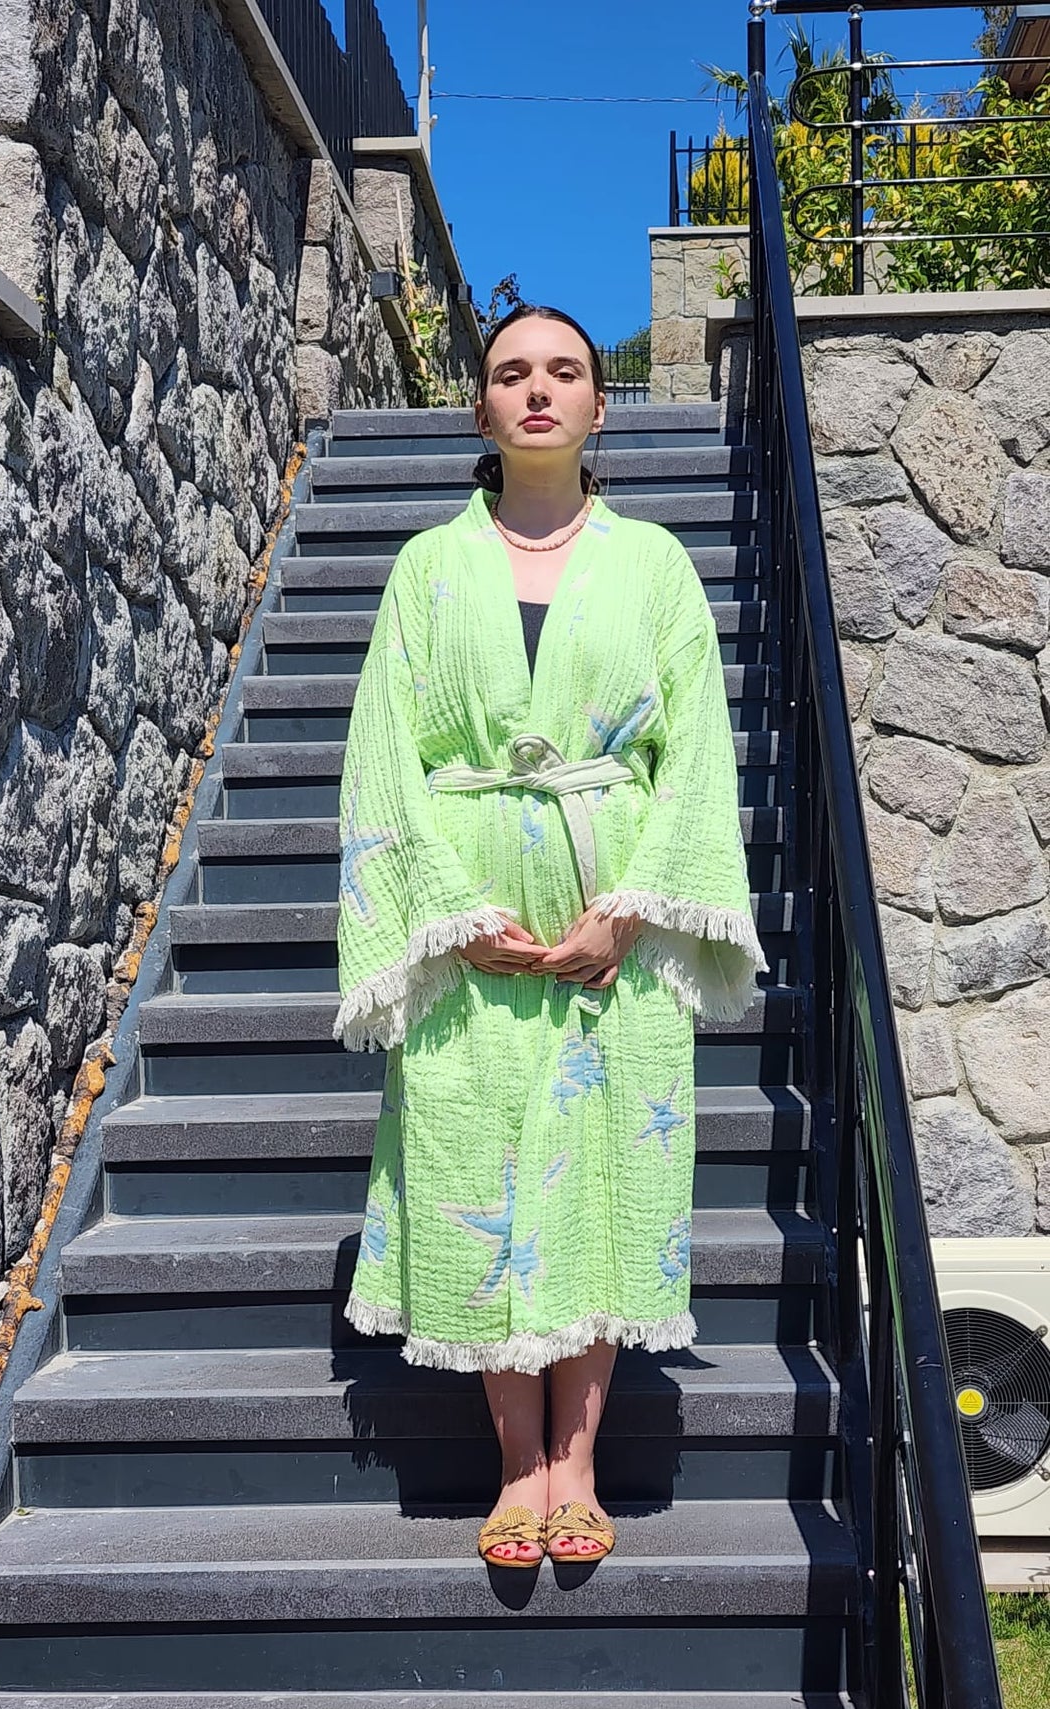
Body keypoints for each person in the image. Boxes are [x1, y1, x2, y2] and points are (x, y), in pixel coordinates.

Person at [333, 304, 767, 1569]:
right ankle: (515, 1468)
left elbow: (693, 758)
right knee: (475, 1163)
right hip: (473, 931)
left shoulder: (655, 567)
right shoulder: (426, 568)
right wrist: (447, 917)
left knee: (605, 1170)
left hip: (607, 930)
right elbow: (381, 758)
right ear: (481, 409)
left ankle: (580, 1462)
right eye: (511, 372)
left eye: (563, 372)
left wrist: (628, 909)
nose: (537, 390)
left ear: (596, 407)